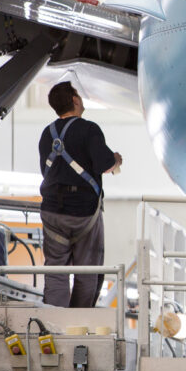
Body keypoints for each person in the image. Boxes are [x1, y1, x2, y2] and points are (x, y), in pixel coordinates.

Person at [37, 82, 122, 307]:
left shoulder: (48, 134)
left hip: (52, 211)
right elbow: (105, 164)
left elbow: (46, 171)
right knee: (87, 271)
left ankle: (56, 324)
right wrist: (116, 160)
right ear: (75, 100)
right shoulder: (89, 129)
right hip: (84, 214)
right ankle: (78, 323)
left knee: (56, 272)